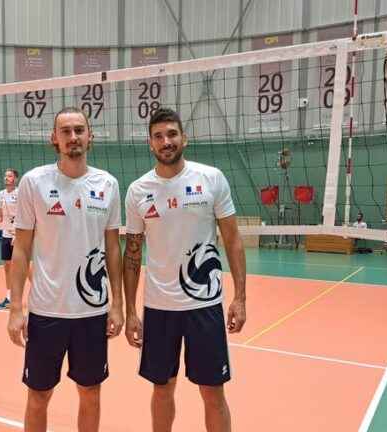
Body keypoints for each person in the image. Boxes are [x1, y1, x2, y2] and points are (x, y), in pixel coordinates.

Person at [123, 107, 247, 432]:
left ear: (184, 138)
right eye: (159, 136)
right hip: (159, 307)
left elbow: (233, 240)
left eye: (172, 134)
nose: (166, 141)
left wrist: (240, 298)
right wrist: (130, 311)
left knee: (212, 391)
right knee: (162, 388)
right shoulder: (138, 190)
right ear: (150, 143)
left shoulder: (211, 178)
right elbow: (132, 252)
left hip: (204, 305)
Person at [6, 107, 124, 432]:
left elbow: (113, 248)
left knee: (90, 392)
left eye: (79, 130)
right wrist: (16, 308)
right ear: (54, 139)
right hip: (46, 312)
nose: (73, 137)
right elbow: (21, 248)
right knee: (39, 394)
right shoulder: (33, 182)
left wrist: (118, 304)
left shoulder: (108, 184)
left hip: (92, 311)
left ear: (91, 136)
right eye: (66, 131)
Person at [0, 168, 19, 309]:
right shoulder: (1, 195)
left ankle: (40, 296)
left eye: (9, 176)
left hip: (18, 235)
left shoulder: (20, 193)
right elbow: (0, 215)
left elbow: (24, 214)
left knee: (25, 268)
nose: (6, 178)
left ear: (15, 179)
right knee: (7, 267)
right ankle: (9, 298)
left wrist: (17, 234)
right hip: (6, 235)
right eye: (5, 176)